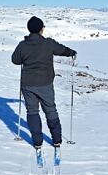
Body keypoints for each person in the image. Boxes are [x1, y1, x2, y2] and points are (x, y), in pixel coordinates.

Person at [11, 16, 77, 150]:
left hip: (28, 85)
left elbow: (15, 60)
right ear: (41, 29)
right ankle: (57, 140)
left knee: (32, 112)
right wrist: (72, 53)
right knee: (50, 110)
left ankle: (37, 142)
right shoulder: (48, 43)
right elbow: (62, 50)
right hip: (45, 84)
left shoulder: (22, 45)